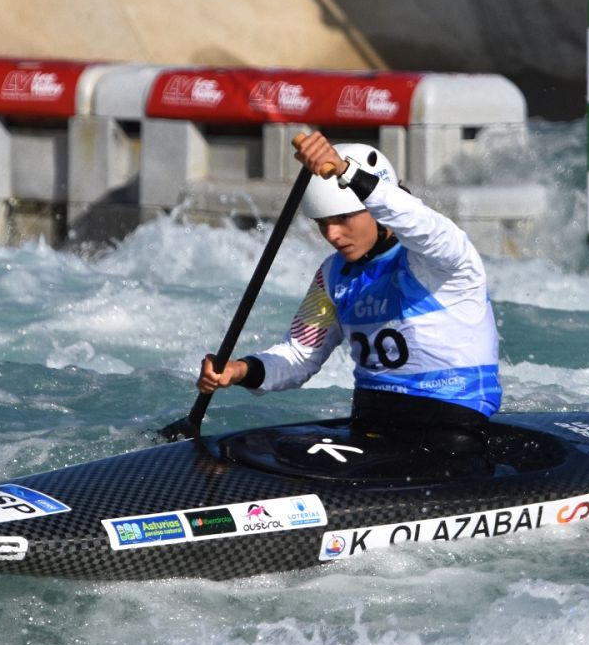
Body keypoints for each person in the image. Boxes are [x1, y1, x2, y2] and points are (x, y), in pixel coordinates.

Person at [196, 131, 500, 465]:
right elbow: (300, 354)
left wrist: (346, 171)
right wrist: (241, 371)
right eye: (323, 223)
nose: (332, 234)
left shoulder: (441, 261)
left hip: (449, 432)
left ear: (377, 207)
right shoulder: (333, 275)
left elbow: (422, 224)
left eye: (343, 218)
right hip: (370, 427)